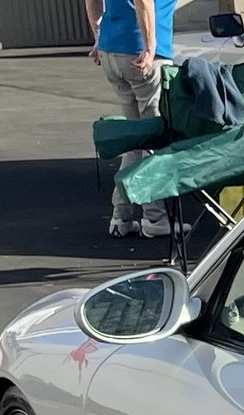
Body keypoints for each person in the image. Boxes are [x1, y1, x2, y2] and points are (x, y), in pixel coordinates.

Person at [86, 0, 180, 238]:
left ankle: (122, 215)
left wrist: (98, 36)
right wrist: (149, 48)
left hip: (111, 50)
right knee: (152, 139)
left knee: (134, 140)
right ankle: (155, 218)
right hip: (141, 53)